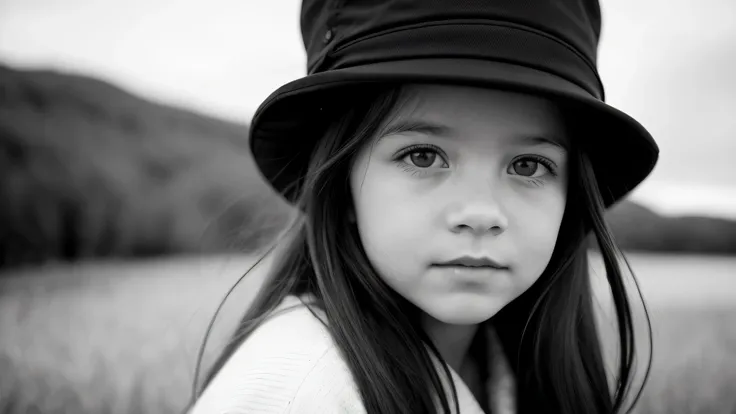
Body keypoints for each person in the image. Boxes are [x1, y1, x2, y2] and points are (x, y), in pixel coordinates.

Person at [188, 0, 658, 413]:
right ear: (342, 185)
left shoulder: (511, 367)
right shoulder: (292, 396)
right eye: (423, 156)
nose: (480, 212)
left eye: (529, 165)